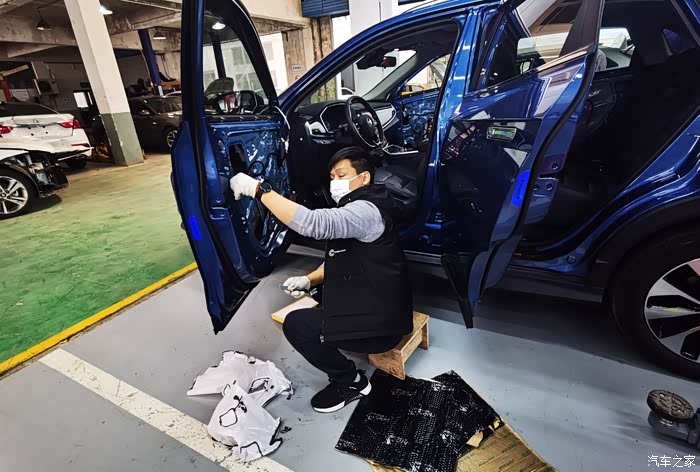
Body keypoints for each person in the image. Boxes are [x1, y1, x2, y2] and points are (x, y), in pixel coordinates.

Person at [229, 146, 413, 413]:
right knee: (320, 300)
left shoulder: (365, 211)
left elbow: (313, 224)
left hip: (383, 328)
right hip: (383, 309)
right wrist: (309, 280)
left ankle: (352, 382)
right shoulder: (367, 203)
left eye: (342, 175)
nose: (335, 182)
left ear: (364, 178)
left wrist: (258, 190)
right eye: (332, 177)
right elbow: (345, 257)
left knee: (297, 325)